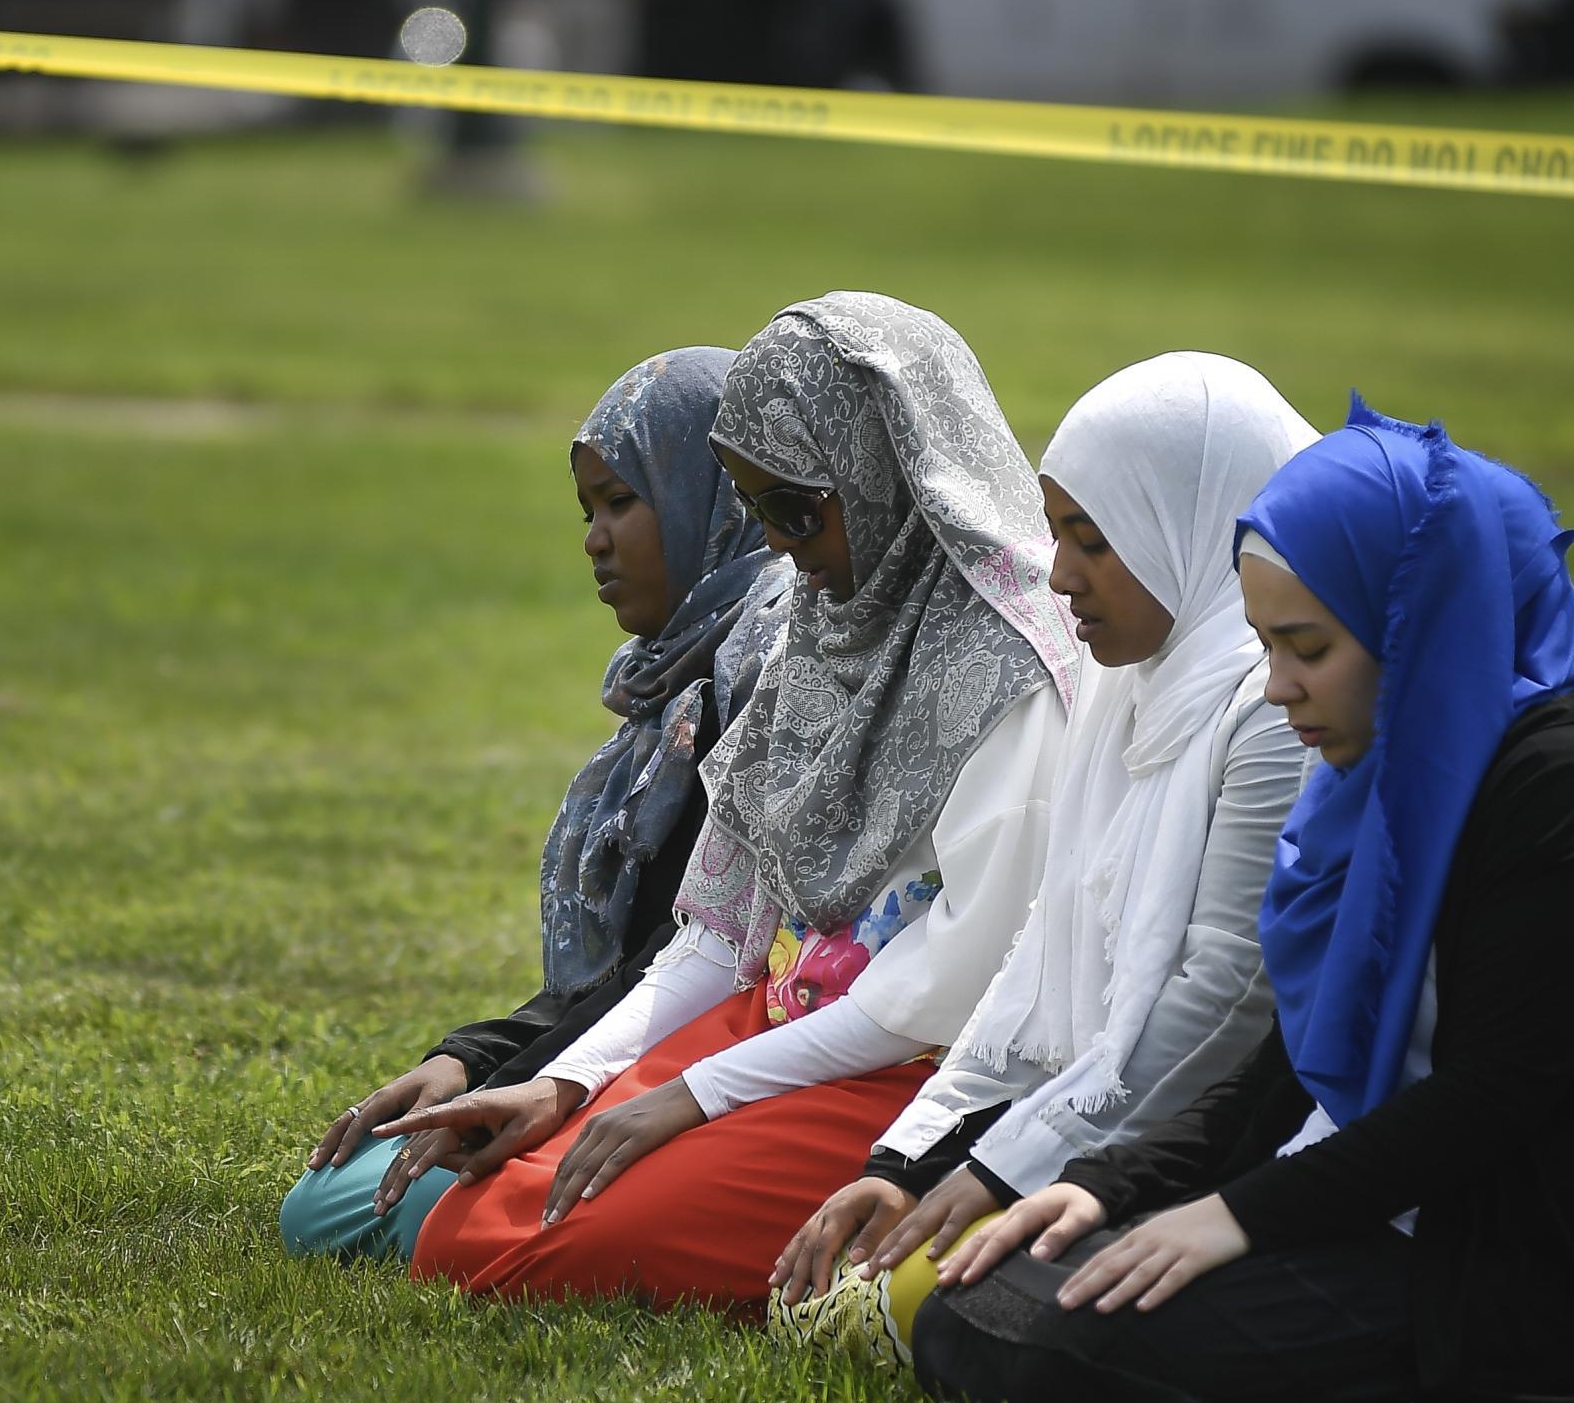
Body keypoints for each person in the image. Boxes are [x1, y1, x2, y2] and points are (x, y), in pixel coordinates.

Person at [913, 400, 1574, 1403]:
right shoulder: (1372, 775)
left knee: (1039, 1340)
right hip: (1385, 1214)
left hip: (1544, 1284)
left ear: (1417, 627)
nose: (1277, 688)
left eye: (1306, 647)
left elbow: (1487, 1104)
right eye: (1263, 644)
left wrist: (1233, 1218)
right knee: (984, 1303)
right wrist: (1113, 1185)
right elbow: (1295, 1062)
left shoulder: (1563, 796)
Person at [377, 292, 1080, 1311]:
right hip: (783, 1017)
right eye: (760, 513)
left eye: (801, 508)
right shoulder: (822, 620)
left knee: (523, 1251)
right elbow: (720, 926)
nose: (784, 548)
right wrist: (569, 1080)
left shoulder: (1008, 664)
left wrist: (690, 1094)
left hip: (917, 1072)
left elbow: (942, 988)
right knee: (460, 1223)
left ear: (890, 472)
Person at [767, 352, 1317, 1365]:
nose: (1060, 576)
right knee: (875, 1276)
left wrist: (1002, 1170)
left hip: (1217, 1145)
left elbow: (1220, 1005)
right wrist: (916, 1158)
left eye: (1092, 540)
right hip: (1092, 1126)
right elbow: (1041, 947)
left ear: (1189, 526)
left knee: (938, 1305)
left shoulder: (1274, 709)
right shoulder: (1126, 677)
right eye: (1059, 534)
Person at [277, 347, 785, 1262]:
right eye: (587, 509)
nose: (595, 537)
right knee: (329, 1203)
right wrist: (467, 1060)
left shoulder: (764, 679)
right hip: (641, 1034)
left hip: (721, 1054)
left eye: (623, 501)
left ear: (719, 497)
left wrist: (516, 1083)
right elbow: (633, 968)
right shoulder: (676, 685)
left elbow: (707, 963)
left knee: (346, 1216)